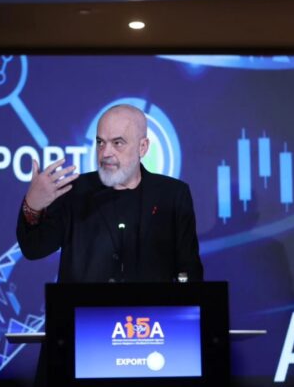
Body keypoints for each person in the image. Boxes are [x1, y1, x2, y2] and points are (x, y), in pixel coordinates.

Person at [16, 104, 203, 282]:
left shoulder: (173, 195)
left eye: (118, 143)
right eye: (100, 143)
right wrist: (32, 205)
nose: (105, 152)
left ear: (143, 147)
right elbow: (33, 249)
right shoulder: (73, 191)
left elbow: (189, 271)